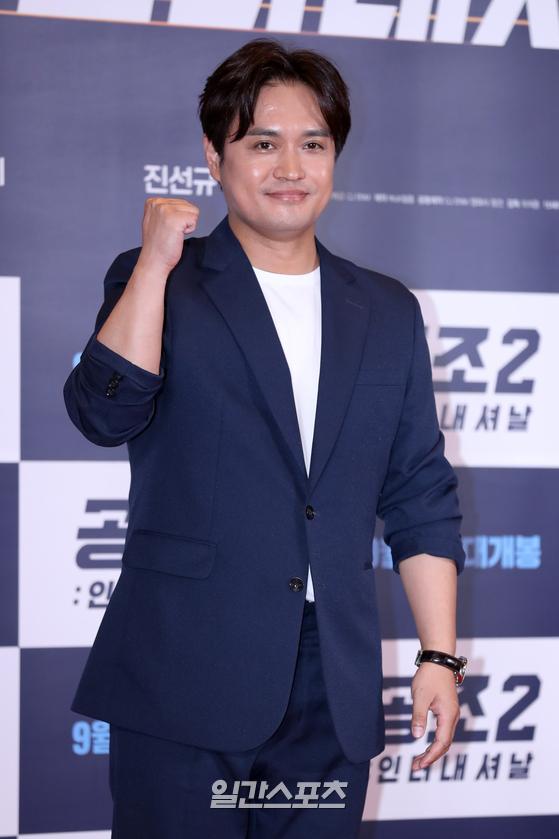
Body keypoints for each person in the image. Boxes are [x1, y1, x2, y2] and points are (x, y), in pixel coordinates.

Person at [63, 37, 466, 838]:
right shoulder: (161, 279)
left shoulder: (386, 310)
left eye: (312, 144)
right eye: (262, 143)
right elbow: (103, 414)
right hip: (185, 669)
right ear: (214, 157)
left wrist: (438, 655)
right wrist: (154, 264)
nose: (290, 167)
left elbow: (419, 489)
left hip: (329, 680)